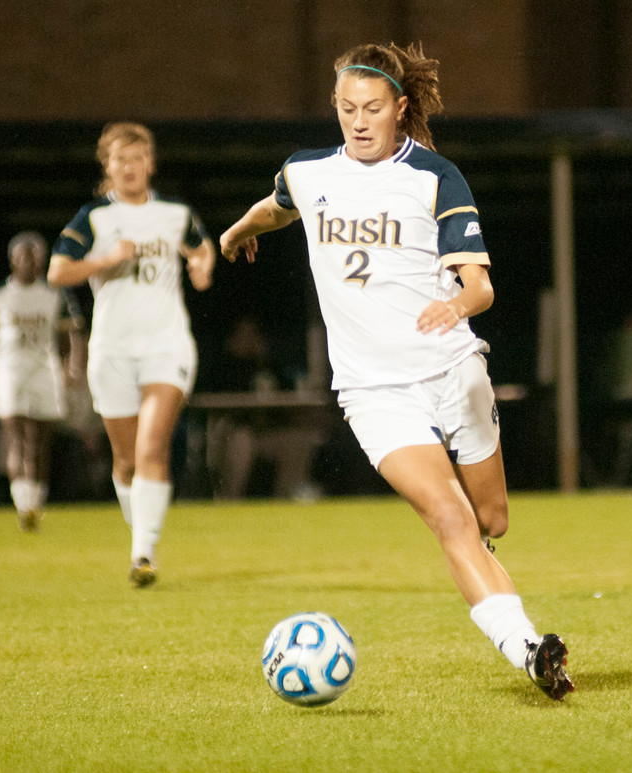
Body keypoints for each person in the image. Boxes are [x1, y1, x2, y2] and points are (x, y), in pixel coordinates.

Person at [218, 43, 573, 700]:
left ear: (400, 108)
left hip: (453, 370)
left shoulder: (435, 177)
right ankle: (529, 648)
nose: (358, 121)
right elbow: (278, 206)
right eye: (347, 109)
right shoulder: (308, 172)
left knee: (489, 518)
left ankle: (491, 577)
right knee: (448, 516)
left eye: (373, 108)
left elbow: (481, 287)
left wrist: (457, 303)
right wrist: (239, 231)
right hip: (374, 392)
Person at [48, 122, 215, 588]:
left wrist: (201, 268)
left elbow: (202, 249)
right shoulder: (95, 218)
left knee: (151, 446)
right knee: (124, 462)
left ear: (150, 164)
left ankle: (143, 553)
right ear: (108, 166)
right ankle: (142, 532)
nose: (129, 167)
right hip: (113, 349)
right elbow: (57, 271)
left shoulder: (174, 213)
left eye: (137, 158)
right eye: (120, 159)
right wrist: (104, 261)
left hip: (167, 344)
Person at [0, 231, 87, 532]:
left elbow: (72, 334)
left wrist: (74, 366)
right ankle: (23, 504)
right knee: (16, 439)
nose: (29, 262)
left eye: (34, 256)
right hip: (11, 372)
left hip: (45, 372)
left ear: (41, 260)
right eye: (23, 256)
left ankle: (35, 503)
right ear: (13, 260)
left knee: (39, 443)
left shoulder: (56, 294)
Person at [201, 315, 324, 500]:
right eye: (244, 334)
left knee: (296, 439)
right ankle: (230, 501)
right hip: (233, 432)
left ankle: (286, 500)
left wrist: (262, 359)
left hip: (267, 431)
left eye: (253, 334)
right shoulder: (223, 367)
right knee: (242, 440)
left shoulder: (267, 364)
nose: (249, 339)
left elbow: (286, 391)